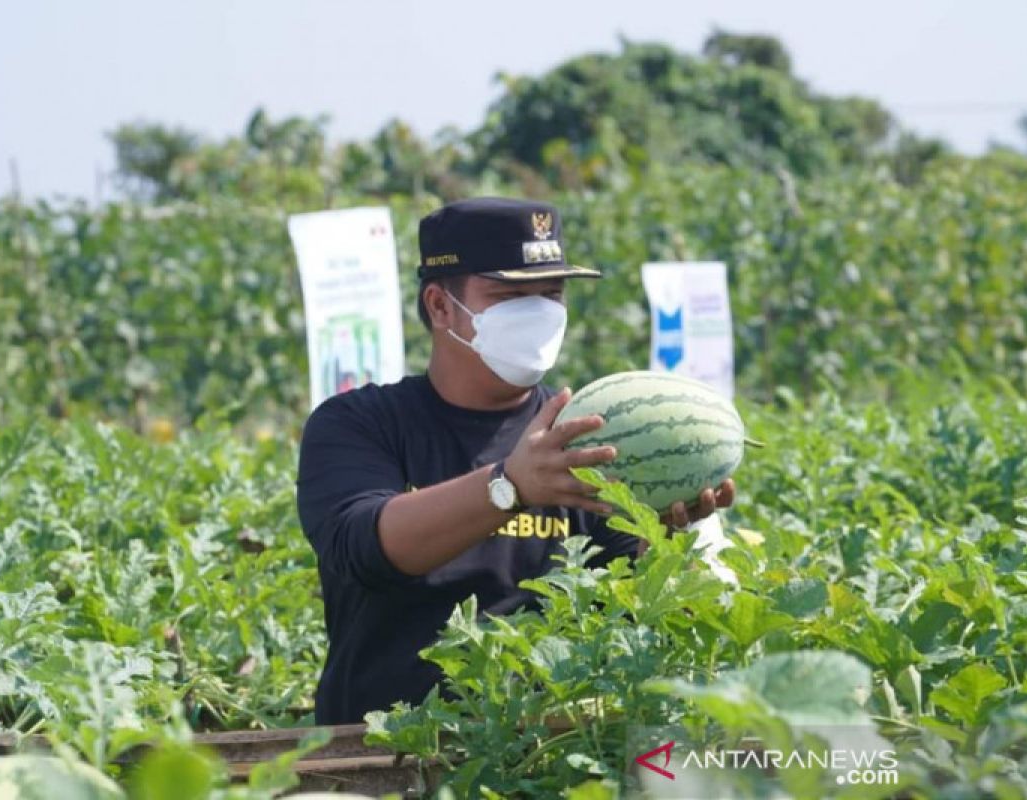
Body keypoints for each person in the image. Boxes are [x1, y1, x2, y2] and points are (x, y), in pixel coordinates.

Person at [296, 197, 735, 725]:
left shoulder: (591, 432)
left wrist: (659, 541)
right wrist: (508, 486)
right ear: (439, 306)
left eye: (551, 294)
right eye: (510, 296)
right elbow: (361, 545)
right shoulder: (359, 423)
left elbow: (609, 606)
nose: (540, 312)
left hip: (537, 751)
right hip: (381, 751)